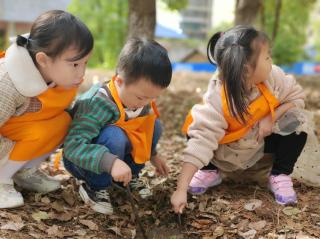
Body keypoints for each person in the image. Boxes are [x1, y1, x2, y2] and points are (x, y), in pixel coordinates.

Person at [171, 25, 308, 214]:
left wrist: (271, 116)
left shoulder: (273, 76)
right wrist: (180, 189)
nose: (271, 61)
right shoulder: (218, 97)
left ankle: (280, 174)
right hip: (226, 150)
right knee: (193, 125)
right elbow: (202, 140)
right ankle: (209, 170)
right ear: (246, 70)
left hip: (259, 142)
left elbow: (297, 99)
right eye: (267, 57)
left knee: (299, 122)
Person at [63, 37, 172, 215]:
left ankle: (128, 176)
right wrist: (110, 162)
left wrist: (153, 155)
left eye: (153, 98)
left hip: (115, 154)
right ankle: (95, 186)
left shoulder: (140, 98)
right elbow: (72, 147)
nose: (146, 102)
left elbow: (142, 130)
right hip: (82, 160)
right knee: (114, 135)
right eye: (141, 98)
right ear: (119, 82)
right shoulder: (97, 104)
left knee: (154, 125)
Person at [0, 10, 93, 208]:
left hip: (15, 128)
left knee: (65, 122)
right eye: (75, 64)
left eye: (85, 63)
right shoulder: (7, 83)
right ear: (43, 59)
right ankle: (2, 179)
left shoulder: (57, 75)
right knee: (39, 132)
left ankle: (24, 171)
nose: (82, 72)